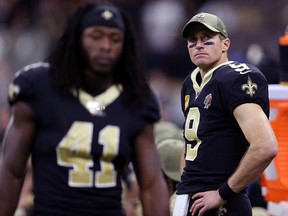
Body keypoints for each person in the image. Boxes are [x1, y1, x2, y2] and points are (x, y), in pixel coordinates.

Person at [0, 1, 170, 216]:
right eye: (96, 36)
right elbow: (12, 171)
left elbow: (151, 183)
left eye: (115, 39)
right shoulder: (38, 86)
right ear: (77, 39)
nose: (106, 46)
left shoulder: (136, 98)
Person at [173, 12, 278, 216]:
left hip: (224, 204)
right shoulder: (190, 83)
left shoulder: (235, 78)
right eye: (192, 40)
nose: (199, 44)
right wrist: (183, 190)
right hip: (192, 200)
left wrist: (223, 193)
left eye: (206, 38)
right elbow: (190, 142)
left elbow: (265, 146)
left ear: (225, 44)